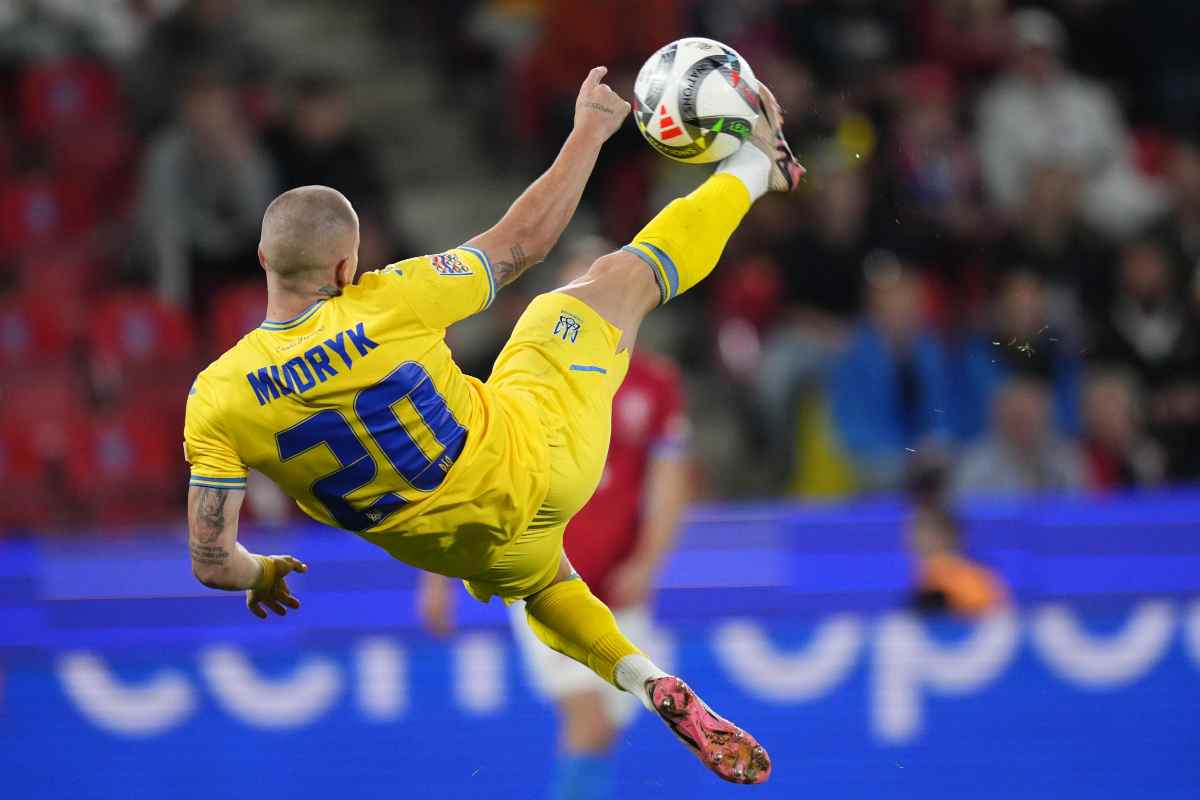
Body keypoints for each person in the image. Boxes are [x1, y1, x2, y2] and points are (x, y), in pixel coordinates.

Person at [181, 66, 803, 784]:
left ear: (263, 258)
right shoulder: (386, 301)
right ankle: (759, 166)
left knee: (542, 587)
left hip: (465, 550)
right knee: (606, 286)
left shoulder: (217, 398)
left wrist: (261, 573)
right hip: (542, 460)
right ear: (348, 264)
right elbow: (524, 242)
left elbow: (210, 560)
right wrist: (589, 133)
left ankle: (642, 678)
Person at [418, 245, 690, 799]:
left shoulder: (655, 385)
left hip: (620, 589)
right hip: (546, 579)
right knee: (588, 722)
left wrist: (647, 563)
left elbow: (669, 484)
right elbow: (474, 486)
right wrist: (436, 579)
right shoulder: (523, 387)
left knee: (604, 732)